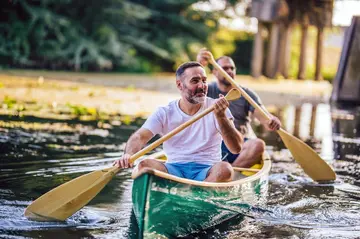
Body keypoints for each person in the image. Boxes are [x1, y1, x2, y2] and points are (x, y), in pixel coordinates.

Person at [114, 61, 243, 182]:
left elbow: (236, 148)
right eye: (195, 81)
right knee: (144, 165)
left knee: (225, 169)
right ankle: (186, 191)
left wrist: (221, 117)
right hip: (174, 169)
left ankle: (196, 194)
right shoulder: (164, 112)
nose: (201, 86)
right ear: (179, 85)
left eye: (204, 80)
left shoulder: (218, 107)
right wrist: (128, 154)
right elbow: (139, 136)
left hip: (208, 169)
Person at [196, 49, 281, 168]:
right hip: (212, 144)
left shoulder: (246, 94)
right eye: (225, 68)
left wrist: (271, 120)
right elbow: (190, 90)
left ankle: (232, 174)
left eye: (232, 68)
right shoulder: (206, 90)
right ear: (215, 72)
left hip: (240, 146)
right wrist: (198, 64)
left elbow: (264, 117)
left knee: (258, 145)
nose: (229, 71)